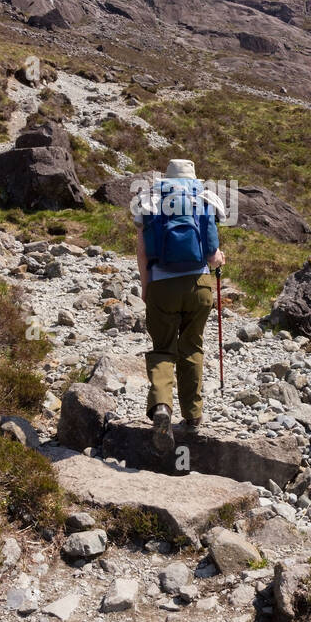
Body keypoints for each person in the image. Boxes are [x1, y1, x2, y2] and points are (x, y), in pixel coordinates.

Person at [132, 158, 226, 452]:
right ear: (193, 178)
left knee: (162, 349)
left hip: (161, 285)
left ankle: (162, 406)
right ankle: (193, 416)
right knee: (192, 346)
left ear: (166, 177)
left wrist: (147, 288)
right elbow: (212, 256)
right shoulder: (205, 199)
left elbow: (142, 252)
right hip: (198, 286)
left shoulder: (148, 201)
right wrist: (219, 260)